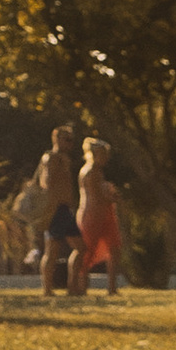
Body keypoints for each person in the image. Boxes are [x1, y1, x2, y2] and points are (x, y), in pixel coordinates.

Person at [24, 123, 81, 294]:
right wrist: (53, 205)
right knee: (52, 250)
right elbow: (46, 184)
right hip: (56, 210)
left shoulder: (64, 159)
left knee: (80, 248)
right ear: (56, 138)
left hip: (65, 209)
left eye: (72, 140)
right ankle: (47, 289)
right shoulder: (51, 158)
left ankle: (72, 288)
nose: (70, 144)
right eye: (66, 139)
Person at [71, 138, 125, 297]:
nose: (106, 157)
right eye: (103, 154)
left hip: (105, 215)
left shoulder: (98, 171)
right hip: (92, 215)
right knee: (86, 252)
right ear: (94, 154)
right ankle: (80, 287)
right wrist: (114, 198)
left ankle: (112, 288)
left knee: (114, 250)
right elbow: (97, 197)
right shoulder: (90, 171)